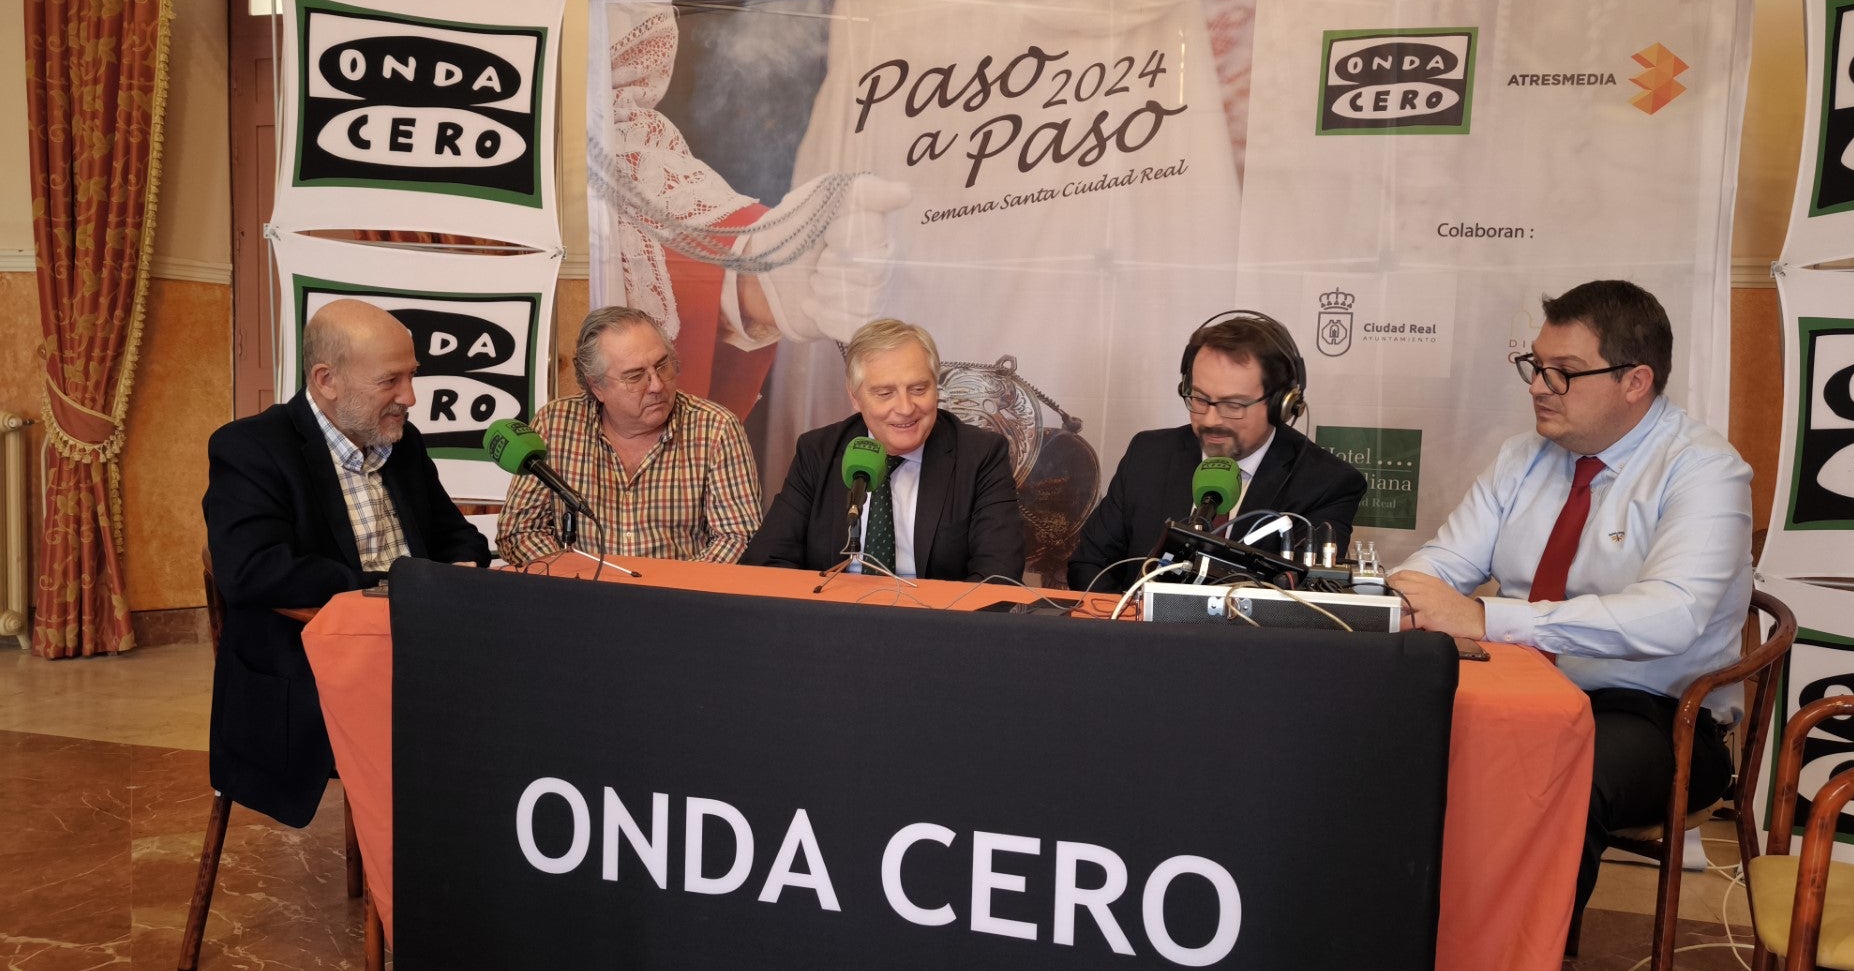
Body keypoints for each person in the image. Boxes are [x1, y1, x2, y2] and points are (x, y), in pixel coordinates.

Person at [1387, 279, 1753, 919]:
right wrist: (1405, 596)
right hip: (1515, 688)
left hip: (1656, 715)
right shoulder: (1521, 457)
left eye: (1564, 373)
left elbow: (1671, 615)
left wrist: (1484, 617)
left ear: (1636, 381)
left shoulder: (1704, 471)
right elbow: (1447, 562)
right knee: (1378, 737)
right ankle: (1394, 943)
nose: (1537, 386)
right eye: (1535, 365)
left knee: (1559, 780)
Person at [202, 299, 490, 828]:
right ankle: (431, 888)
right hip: (313, 681)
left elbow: (457, 537)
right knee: (464, 760)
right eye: (390, 381)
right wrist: (392, 587)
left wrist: (464, 567)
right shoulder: (249, 448)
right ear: (326, 379)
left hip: (422, 661)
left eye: (412, 376)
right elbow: (251, 571)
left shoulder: (401, 444)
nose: (409, 397)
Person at [1068, 311, 1367, 592]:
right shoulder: (1148, 455)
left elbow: (1303, 599)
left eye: (1233, 405)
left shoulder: (1327, 484)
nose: (1211, 420)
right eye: (1199, 399)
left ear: (1282, 404)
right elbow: (1090, 566)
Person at [742, 319, 1024, 581]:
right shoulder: (818, 452)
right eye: (885, 393)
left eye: (918, 389)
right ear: (855, 397)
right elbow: (766, 562)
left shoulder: (980, 456)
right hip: (833, 621)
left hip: (935, 624)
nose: (904, 408)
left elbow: (998, 577)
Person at [495, 307, 762, 566]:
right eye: (635, 377)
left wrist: (668, 589)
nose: (657, 385)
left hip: (679, 602)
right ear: (597, 386)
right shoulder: (555, 424)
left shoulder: (715, 428)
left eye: (662, 365)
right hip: (581, 597)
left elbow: (739, 537)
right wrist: (576, 575)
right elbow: (519, 531)